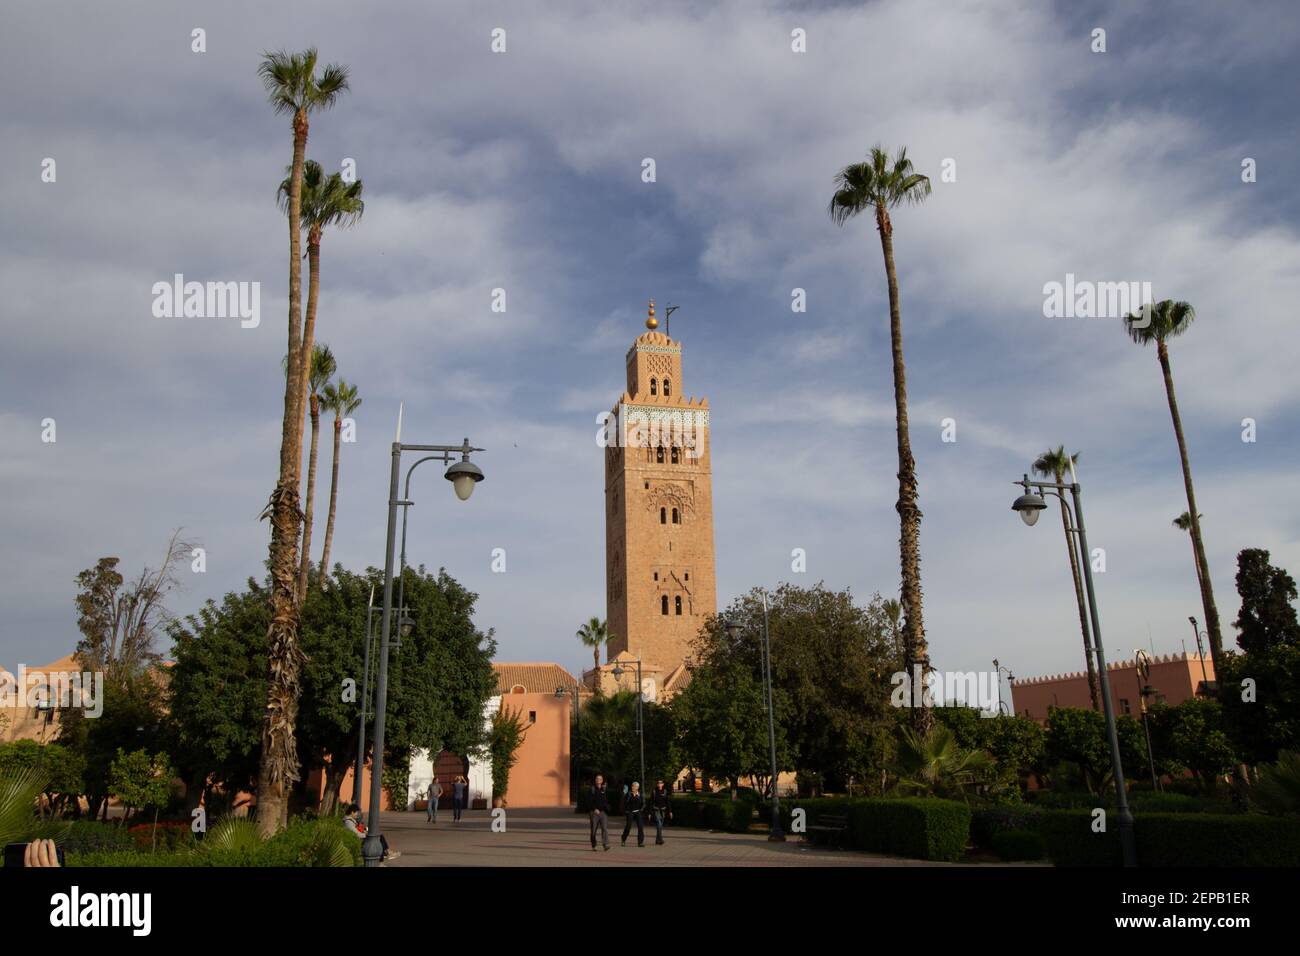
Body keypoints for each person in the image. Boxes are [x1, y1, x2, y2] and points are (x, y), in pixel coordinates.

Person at [589, 773, 611, 851]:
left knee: (604, 828)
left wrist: (607, 809)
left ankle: (605, 844)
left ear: (602, 780)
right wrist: (594, 809)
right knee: (594, 829)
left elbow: (606, 800)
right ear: (595, 780)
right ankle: (594, 845)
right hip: (594, 812)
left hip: (603, 813)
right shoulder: (592, 789)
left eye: (600, 779)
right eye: (597, 779)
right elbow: (589, 801)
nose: (598, 780)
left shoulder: (604, 789)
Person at [621, 781, 645, 847]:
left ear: (637, 788)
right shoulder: (628, 794)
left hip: (637, 812)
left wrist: (641, 809)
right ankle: (623, 839)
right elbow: (624, 803)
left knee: (640, 827)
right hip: (630, 812)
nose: (633, 787)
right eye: (632, 786)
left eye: (634, 786)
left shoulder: (639, 795)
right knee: (628, 827)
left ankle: (640, 842)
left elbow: (643, 803)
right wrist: (626, 811)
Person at [650, 779, 672, 845]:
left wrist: (670, 811)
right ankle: (661, 840)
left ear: (663, 784)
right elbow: (651, 802)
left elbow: (668, 802)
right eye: (658, 783)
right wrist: (649, 813)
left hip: (663, 810)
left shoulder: (665, 791)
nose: (659, 784)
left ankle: (657, 840)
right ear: (657, 784)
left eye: (661, 783)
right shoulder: (654, 791)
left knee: (660, 826)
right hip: (656, 810)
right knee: (659, 824)